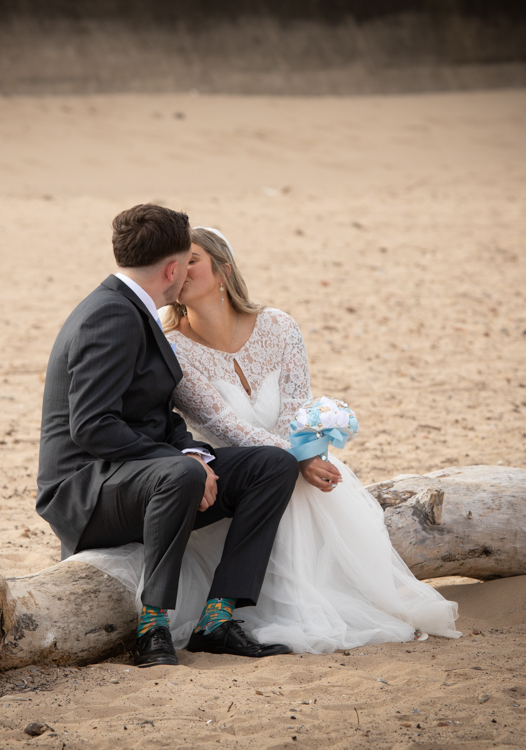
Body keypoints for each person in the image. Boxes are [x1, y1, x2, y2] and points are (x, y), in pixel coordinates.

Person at [149, 226, 462, 651]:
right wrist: (297, 459)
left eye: (193, 259)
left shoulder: (278, 326)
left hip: (298, 461)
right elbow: (225, 426)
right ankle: (223, 615)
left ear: (223, 271)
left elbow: (299, 406)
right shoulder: (174, 350)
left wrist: (308, 453)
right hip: (236, 481)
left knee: (314, 498)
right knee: (279, 478)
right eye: (175, 263)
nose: (181, 270)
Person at [37, 205, 300, 668]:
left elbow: (155, 412)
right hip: (85, 493)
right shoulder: (111, 315)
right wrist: (185, 464)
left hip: (135, 479)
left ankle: (217, 619)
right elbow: (91, 425)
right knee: (180, 472)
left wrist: (193, 451)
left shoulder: (133, 310)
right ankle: (152, 626)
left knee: (269, 464)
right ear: (174, 269)